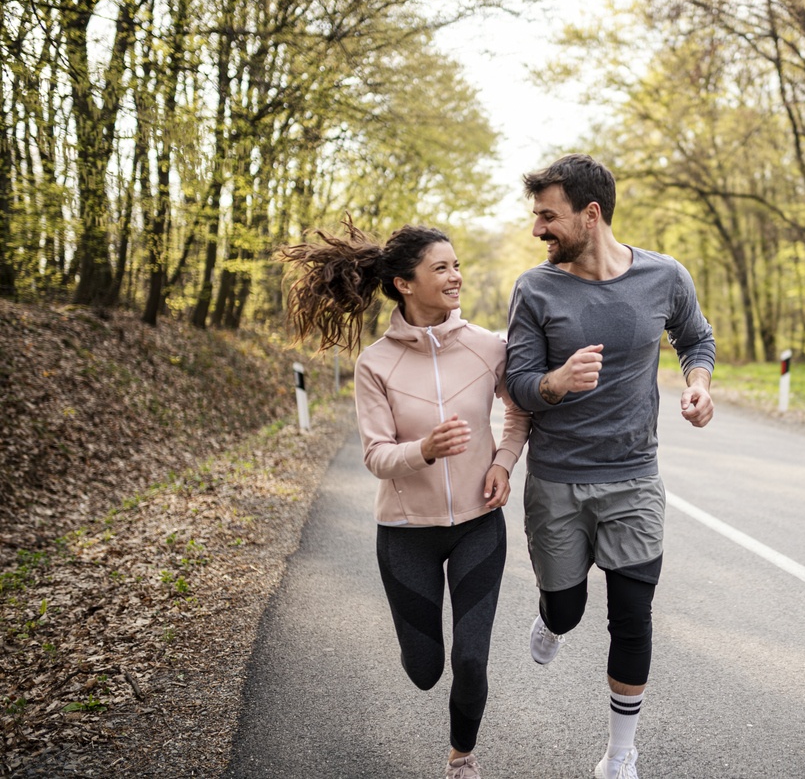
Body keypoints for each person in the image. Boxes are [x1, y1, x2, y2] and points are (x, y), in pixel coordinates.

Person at [279, 219, 529, 779]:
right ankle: (422, 660)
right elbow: (376, 457)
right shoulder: (376, 364)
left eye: (457, 265)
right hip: (405, 534)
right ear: (403, 284)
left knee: (470, 657)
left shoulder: (490, 347)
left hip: (478, 524)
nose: (456, 276)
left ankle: (462, 758)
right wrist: (425, 450)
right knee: (424, 670)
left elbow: (519, 413)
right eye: (441, 268)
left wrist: (502, 463)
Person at [504, 154, 716, 779]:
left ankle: (621, 752)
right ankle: (551, 619)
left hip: (633, 476)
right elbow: (516, 384)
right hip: (557, 479)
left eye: (548, 216)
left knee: (632, 615)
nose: (538, 229)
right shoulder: (534, 289)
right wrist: (557, 384)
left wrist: (698, 384)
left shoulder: (663, 276)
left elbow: (695, 338)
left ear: (589, 215)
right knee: (567, 609)